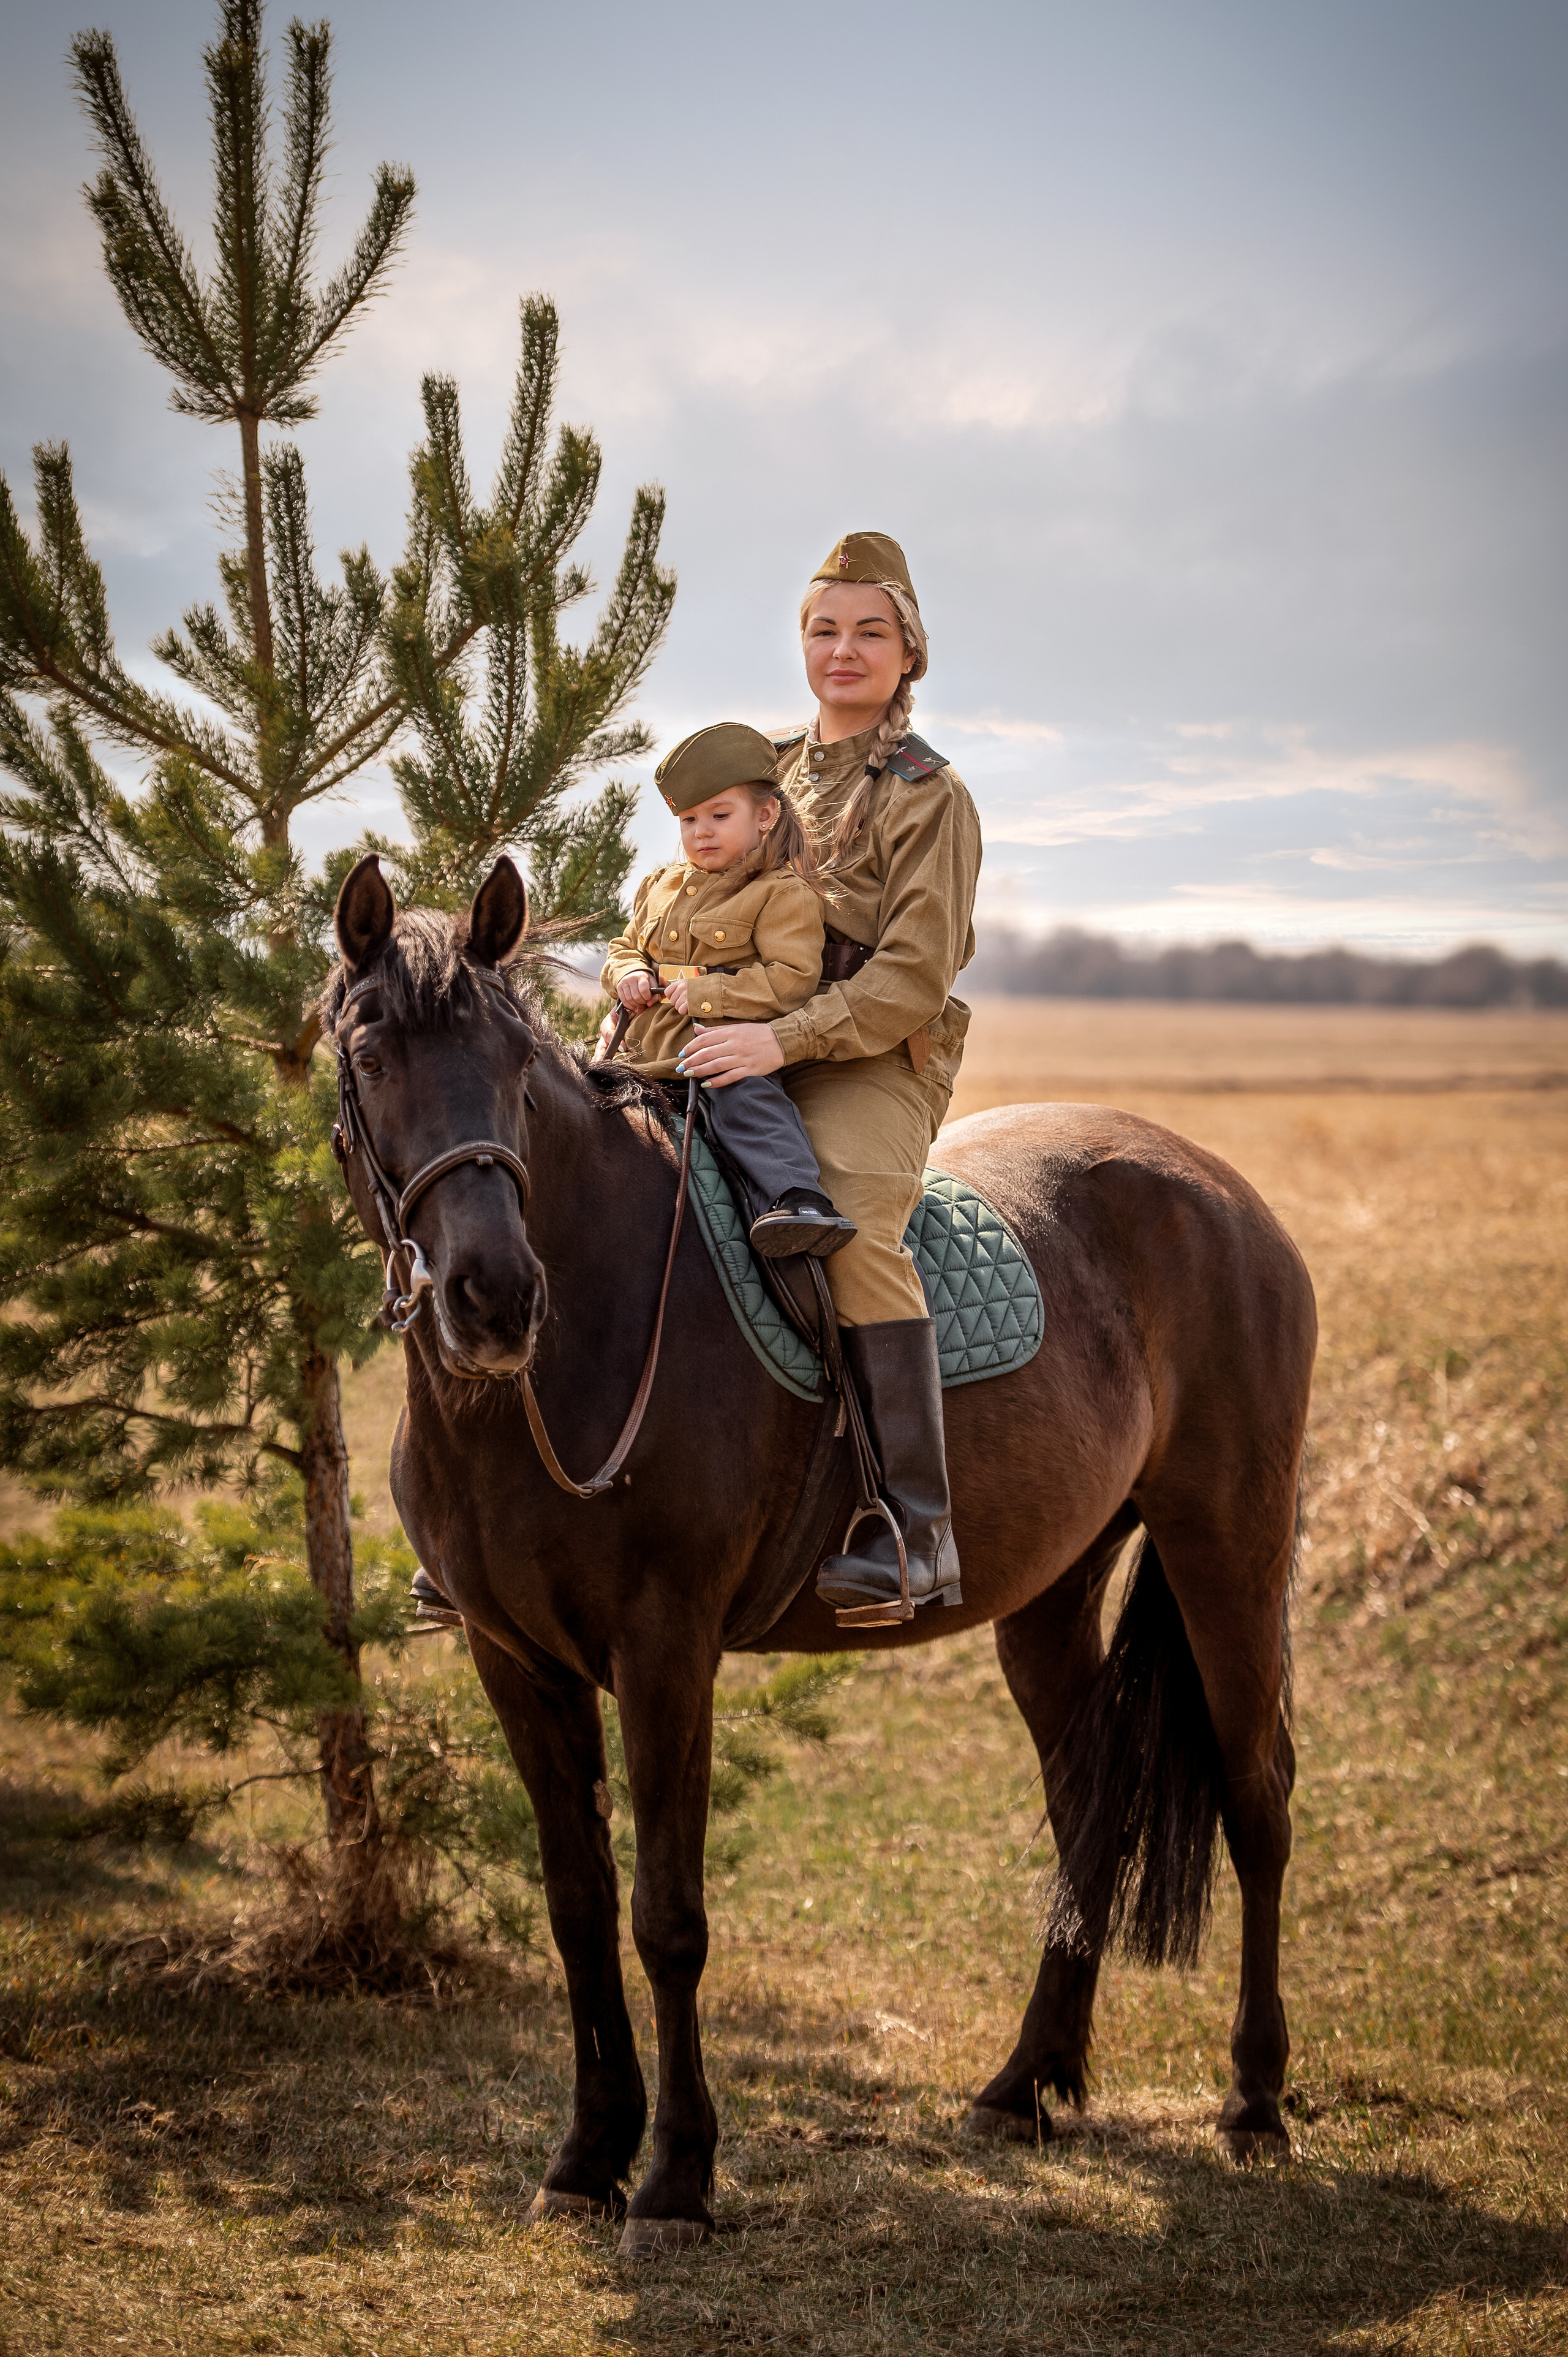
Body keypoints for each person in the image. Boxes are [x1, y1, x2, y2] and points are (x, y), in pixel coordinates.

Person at [678, 532, 982, 1621]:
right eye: (823, 630)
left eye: (869, 632)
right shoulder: (758, 768)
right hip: (734, 1020)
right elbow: (687, 888)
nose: (842, 650)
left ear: (909, 652)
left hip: (868, 1053)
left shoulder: (928, 794)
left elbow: (912, 974)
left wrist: (783, 1040)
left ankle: (915, 1527)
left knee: (849, 1217)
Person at [600, 722, 857, 1261]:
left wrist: (709, 995)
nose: (702, 832)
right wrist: (626, 972)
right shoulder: (660, 885)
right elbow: (625, 945)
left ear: (765, 816)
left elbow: (791, 979)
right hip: (637, 1053)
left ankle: (798, 1197)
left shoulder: (782, 893)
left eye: (720, 815)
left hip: (720, 1052)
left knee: (747, 1099)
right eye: (689, 819)